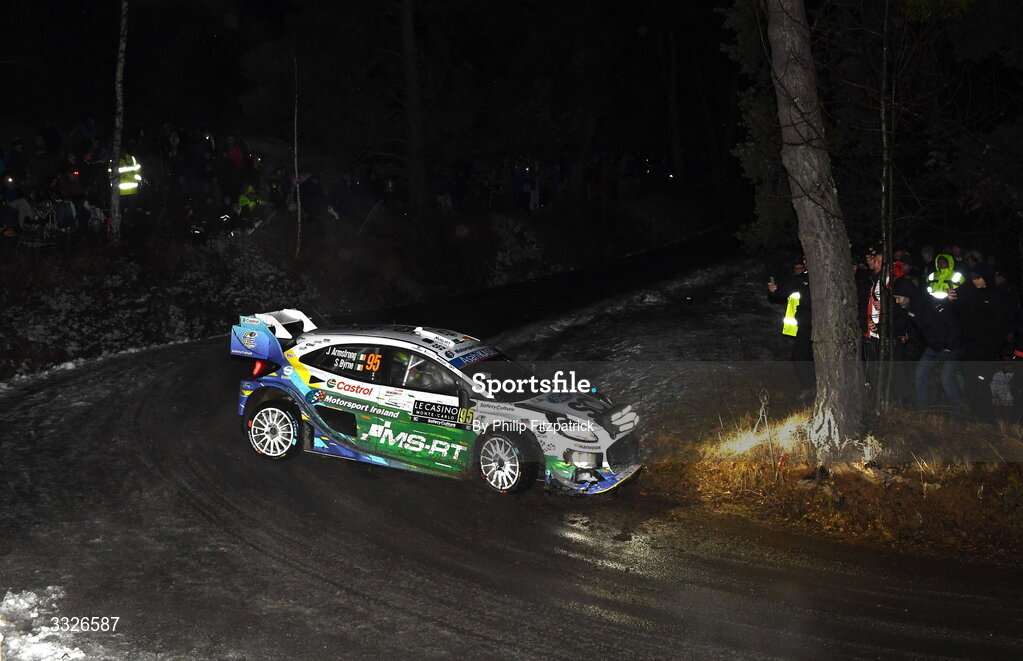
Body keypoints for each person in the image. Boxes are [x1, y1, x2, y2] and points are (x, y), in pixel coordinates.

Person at [952, 264, 1010, 423]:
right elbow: (959, 312)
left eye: (978, 277)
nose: (974, 280)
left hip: (986, 350)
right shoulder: (970, 293)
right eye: (973, 278)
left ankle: (987, 419)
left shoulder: (997, 296)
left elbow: (1002, 326)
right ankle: (977, 415)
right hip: (970, 347)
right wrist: (953, 300)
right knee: (971, 383)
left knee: (982, 383)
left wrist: (993, 350)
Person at [910, 284, 963, 415]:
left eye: (900, 298)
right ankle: (921, 411)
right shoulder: (912, 311)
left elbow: (954, 328)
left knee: (946, 378)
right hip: (934, 346)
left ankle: (956, 415)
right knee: (920, 374)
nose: (898, 301)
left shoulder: (935, 307)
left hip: (953, 346)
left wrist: (947, 348)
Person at [768, 256, 814, 400]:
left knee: (816, 357)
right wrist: (773, 290)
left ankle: (819, 386)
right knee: (800, 356)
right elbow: (780, 292)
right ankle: (808, 387)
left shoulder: (831, 275)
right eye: (805, 260)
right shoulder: (801, 279)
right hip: (806, 324)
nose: (806, 263)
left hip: (827, 324)